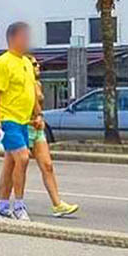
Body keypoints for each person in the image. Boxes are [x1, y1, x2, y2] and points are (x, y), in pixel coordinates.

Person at [0, 22, 36, 221]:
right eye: (24, 37)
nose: (27, 41)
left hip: (24, 120)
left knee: (10, 163)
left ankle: (2, 203)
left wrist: (37, 116)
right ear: (13, 38)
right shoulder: (2, 62)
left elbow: (31, 91)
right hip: (9, 120)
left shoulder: (26, 62)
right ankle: (18, 204)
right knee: (23, 158)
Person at [26, 57, 78, 217]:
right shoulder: (22, 84)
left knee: (47, 165)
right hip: (23, 127)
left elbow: (38, 106)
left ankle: (57, 204)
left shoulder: (38, 84)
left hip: (37, 128)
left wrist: (39, 117)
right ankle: (2, 198)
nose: (38, 66)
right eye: (34, 64)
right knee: (17, 165)